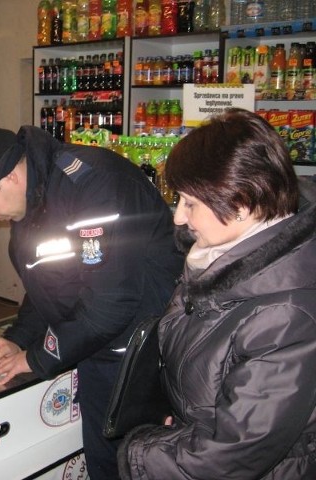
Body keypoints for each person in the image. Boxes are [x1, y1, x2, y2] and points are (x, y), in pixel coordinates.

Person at [0, 125, 183, 479]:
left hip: (142, 359)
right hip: (98, 348)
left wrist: (36, 358)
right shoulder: (34, 197)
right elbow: (48, 281)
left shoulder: (93, 185)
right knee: (104, 462)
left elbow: (110, 306)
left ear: (7, 176)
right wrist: (18, 337)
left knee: (133, 466)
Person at [118, 108, 316, 479]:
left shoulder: (287, 313)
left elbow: (232, 453)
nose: (178, 218)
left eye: (190, 203)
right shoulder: (219, 254)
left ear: (240, 204)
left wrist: (140, 453)